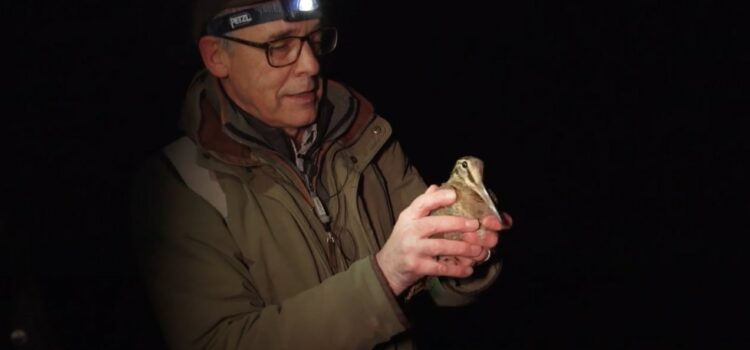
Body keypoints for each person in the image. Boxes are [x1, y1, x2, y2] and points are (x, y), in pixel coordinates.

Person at [130, 0, 511, 349]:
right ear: (217, 56)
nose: (311, 65)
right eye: (278, 46)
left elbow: (438, 285)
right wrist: (384, 277)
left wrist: (464, 254)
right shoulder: (175, 188)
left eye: (315, 39)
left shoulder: (364, 135)